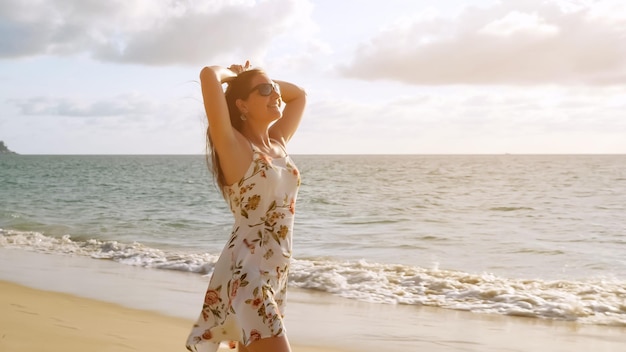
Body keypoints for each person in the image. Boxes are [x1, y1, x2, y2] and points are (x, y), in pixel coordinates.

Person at [186, 61, 306, 352]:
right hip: (246, 271)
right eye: (264, 91)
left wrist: (263, 82)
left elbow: (299, 95)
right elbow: (208, 75)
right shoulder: (233, 145)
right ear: (241, 104)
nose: (276, 95)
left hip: (276, 270)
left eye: (275, 90)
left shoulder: (278, 144)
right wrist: (237, 77)